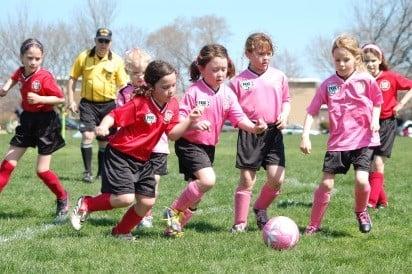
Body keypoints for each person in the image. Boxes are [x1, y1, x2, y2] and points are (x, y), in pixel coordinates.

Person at [69, 60, 203, 240]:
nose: (171, 90)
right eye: (165, 87)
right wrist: (104, 125)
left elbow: (172, 134)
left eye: (173, 85)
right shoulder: (139, 103)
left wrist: (190, 122)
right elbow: (114, 115)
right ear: (151, 86)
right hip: (120, 155)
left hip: (145, 159)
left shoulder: (172, 105)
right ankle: (87, 203)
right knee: (124, 198)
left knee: (147, 201)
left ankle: (121, 231)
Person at [163, 44, 267, 238]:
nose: (221, 73)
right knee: (208, 180)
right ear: (202, 69)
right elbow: (180, 120)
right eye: (215, 69)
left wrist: (254, 128)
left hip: (208, 147)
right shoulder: (194, 92)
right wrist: (194, 124)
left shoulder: (227, 94)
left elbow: (239, 117)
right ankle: (172, 211)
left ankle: (172, 229)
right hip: (189, 145)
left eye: (224, 69)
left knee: (195, 197)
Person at [300, 34, 383, 235]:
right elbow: (312, 111)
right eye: (337, 60)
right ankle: (314, 224)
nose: (341, 64)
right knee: (326, 184)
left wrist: (374, 120)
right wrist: (305, 135)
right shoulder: (328, 84)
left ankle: (361, 211)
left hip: (364, 140)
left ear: (356, 58)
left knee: (362, 180)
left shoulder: (366, 80)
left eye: (346, 59)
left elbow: (378, 102)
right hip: (338, 143)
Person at [0, 38, 69, 223]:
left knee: (42, 170)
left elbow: (60, 99)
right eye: (29, 58)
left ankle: (63, 198)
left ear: (42, 58)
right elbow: (14, 77)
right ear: (21, 57)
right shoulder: (21, 72)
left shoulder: (45, 77)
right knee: (7, 164)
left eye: (37, 59)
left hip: (46, 123)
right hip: (27, 120)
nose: (33, 62)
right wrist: (5, 88)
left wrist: (40, 99)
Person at [229, 33, 291, 232]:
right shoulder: (237, 81)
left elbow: (286, 100)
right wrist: (248, 124)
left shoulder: (279, 76)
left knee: (277, 179)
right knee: (247, 179)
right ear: (248, 54)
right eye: (260, 53)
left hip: (273, 134)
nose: (266, 58)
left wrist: (284, 114)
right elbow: (231, 110)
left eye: (269, 54)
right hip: (250, 133)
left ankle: (260, 207)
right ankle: (239, 224)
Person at [67, 27, 128, 183]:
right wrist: (71, 100)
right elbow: (72, 78)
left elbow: (123, 86)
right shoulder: (84, 56)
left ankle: (102, 173)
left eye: (106, 41)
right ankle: (87, 172)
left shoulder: (117, 60)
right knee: (87, 135)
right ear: (95, 40)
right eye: (100, 40)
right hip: (88, 103)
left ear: (110, 43)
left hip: (108, 105)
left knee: (104, 140)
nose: (103, 44)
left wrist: (124, 106)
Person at [116, 48, 168, 228]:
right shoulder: (124, 93)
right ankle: (138, 213)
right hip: (134, 146)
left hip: (157, 145)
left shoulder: (156, 90)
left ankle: (146, 214)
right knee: (137, 182)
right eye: (135, 72)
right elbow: (120, 117)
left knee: (154, 179)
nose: (140, 76)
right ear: (128, 72)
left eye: (143, 72)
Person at [362, 43, 412, 209]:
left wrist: (400, 105)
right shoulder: (363, 80)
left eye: (373, 60)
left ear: (380, 59)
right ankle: (382, 201)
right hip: (368, 126)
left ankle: (371, 201)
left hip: (387, 124)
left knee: (377, 163)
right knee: (367, 165)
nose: (370, 64)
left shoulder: (391, 77)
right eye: (366, 61)